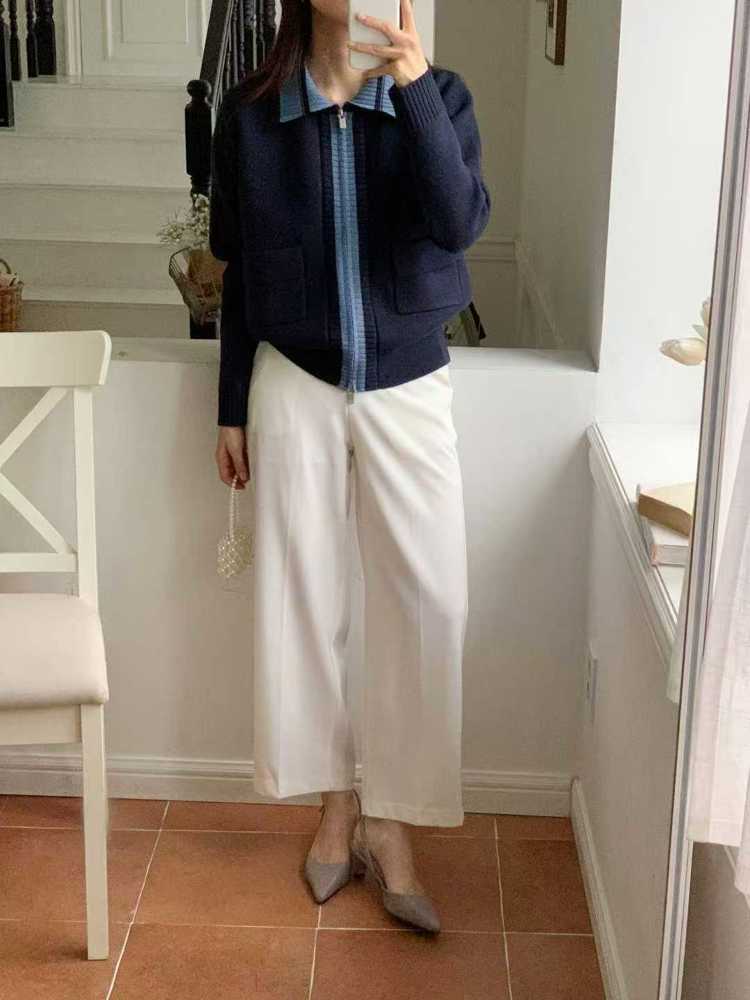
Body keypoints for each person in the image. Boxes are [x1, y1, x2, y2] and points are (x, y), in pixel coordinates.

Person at [210, 0, 490, 933]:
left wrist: (413, 89)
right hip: (293, 381)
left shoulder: (440, 97)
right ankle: (336, 803)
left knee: (431, 599)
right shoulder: (252, 117)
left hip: (411, 383)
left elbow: (458, 223)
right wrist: (231, 405)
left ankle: (393, 822)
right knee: (304, 598)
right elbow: (238, 272)